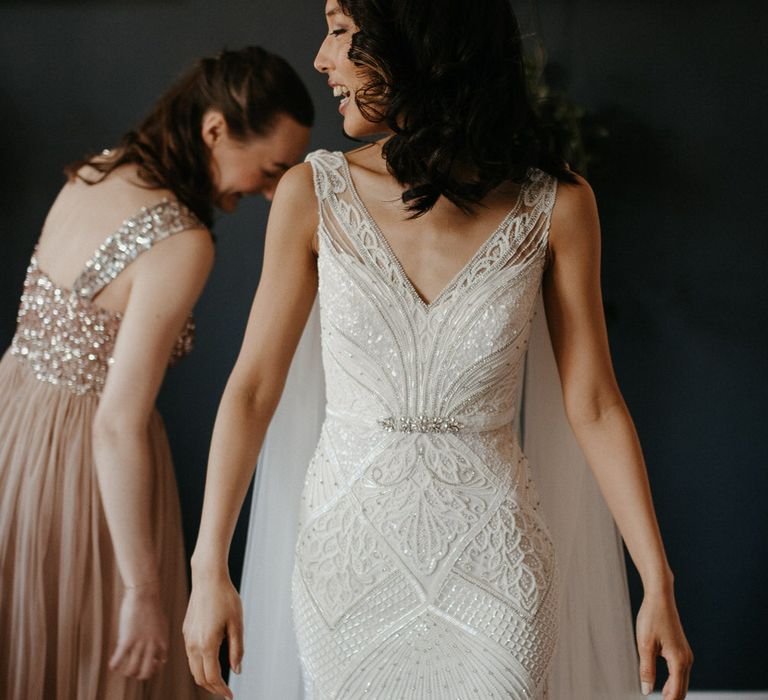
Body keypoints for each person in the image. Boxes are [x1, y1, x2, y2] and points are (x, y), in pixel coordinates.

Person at [183, 2, 693, 699]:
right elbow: (251, 390)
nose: (321, 59)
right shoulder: (313, 193)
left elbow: (596, 405)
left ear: (415, 37)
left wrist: (656, 581)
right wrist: (209, 565)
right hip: (349, 564)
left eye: (339, 29)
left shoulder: (559, 204)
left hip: (496, 565)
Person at [0, 46, 312, 700]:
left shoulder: (95, 172)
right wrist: (144, 590)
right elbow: (117, 423)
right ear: (216, 130)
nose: (268, 191)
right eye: (272, 169)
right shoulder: (182, 241)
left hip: (12, 431)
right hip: (84, 477)